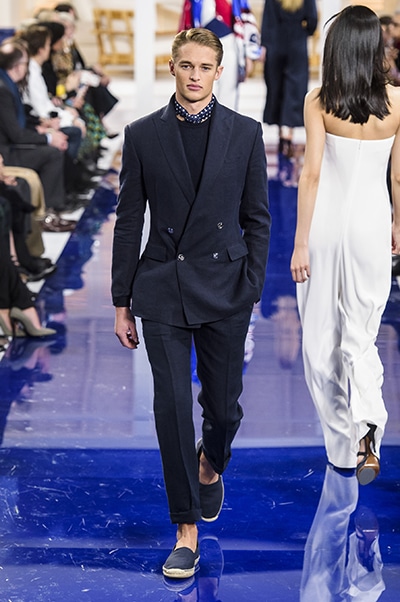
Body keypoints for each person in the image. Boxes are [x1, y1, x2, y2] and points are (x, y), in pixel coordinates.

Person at [112, 28, 270, 579]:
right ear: (172, 67)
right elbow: (129, 220)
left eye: (205, 67)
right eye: (186, 65)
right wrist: (121, 300)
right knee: (173, 408)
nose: (195, 75)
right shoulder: (142, 134)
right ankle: (185, 529)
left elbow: (257, 217)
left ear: (219, 72)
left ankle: (210, 464)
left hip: (227, 286)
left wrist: (252, 284)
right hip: (163, 284)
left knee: (223, 410)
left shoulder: (245, 133)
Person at [290, 5, 400, 486]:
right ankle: (368, 429)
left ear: (335, 48)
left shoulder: (319, 100)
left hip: (325, 226)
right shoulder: (397, 102)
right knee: (361, 334)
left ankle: (340, 449)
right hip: (372, 225)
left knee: (320, 340)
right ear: (376, 48)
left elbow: (311, 175)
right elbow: (399, 176)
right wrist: (398, 224)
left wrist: (299, 243)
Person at [261, 0, 317, 181]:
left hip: (275, 43)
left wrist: (265, 45)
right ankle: (288, 135)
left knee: (276, 88)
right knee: (294, 90)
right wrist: (304, 29)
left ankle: (281, 135)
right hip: (297, 43)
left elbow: (267, 21)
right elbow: (312, 21)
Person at [179, 0, 261, 110]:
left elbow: (246, 22)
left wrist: (249, 56)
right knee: (201, 93)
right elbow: (187, 24)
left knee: (228, 93)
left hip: (229, 47)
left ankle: (225, 121)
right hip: (201, 48)